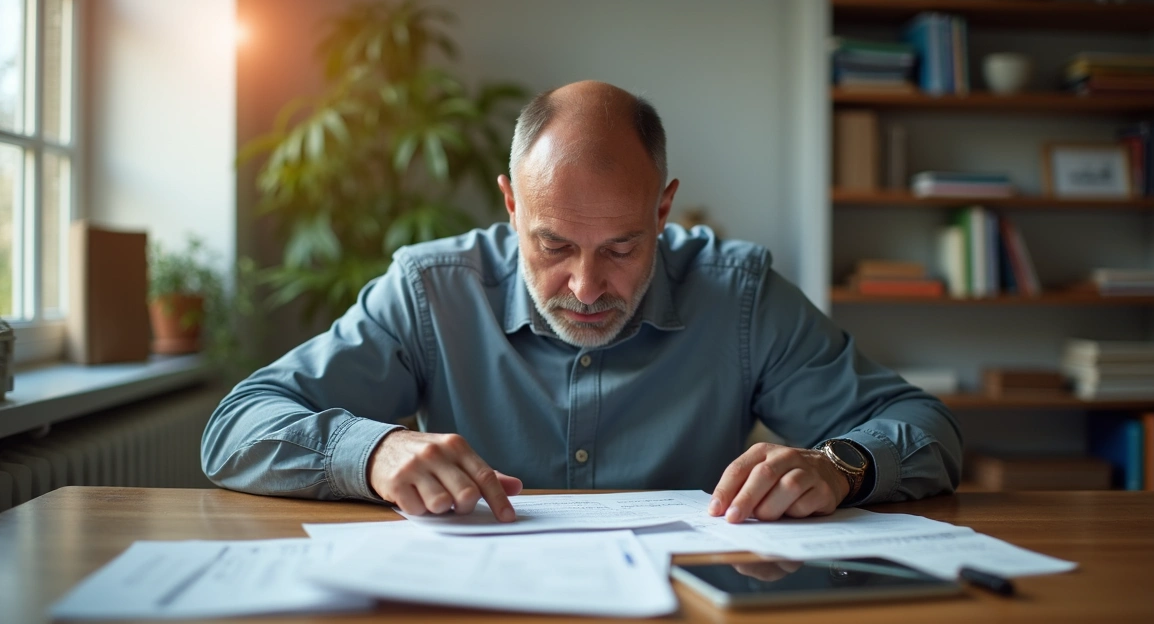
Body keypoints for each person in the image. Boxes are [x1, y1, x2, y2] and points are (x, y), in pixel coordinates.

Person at [202, 80, 962, 525]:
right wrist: (374, 452)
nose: (587, 287)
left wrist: (844, 465)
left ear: (664, 210)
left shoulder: (740, 295)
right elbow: (236, 427)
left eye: (623, 248)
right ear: (509, 205)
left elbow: (930, 430)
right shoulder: (432, 290)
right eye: (554, 246)